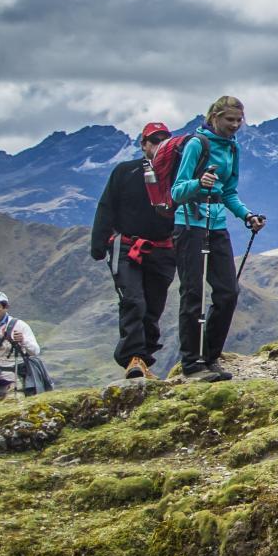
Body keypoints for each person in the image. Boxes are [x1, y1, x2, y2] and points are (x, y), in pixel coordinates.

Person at [170, 96, 268, 382]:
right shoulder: (196, 144)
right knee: (193, 294)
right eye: (230, 120)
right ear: (214, 117)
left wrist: (246, 216)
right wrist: (199, 184)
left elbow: (228, 191)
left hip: (217, 225)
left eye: (239, 121)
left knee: (228, 292)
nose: (235, 126)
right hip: (189, 225)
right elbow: (177, 191)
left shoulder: (233, 148)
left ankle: (210, 357)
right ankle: (192, 363)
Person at [90, 121, 178, 379]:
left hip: (163, 250)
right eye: (154, 140)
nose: (159, 145)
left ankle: (144, 359)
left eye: (164, 140)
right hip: (127, 247)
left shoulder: (176, 175)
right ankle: (132, 357)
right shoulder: (124, 172)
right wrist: (99, 245)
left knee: (153, 308)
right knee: (133, 301)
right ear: (143, 145)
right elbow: (106, 206)